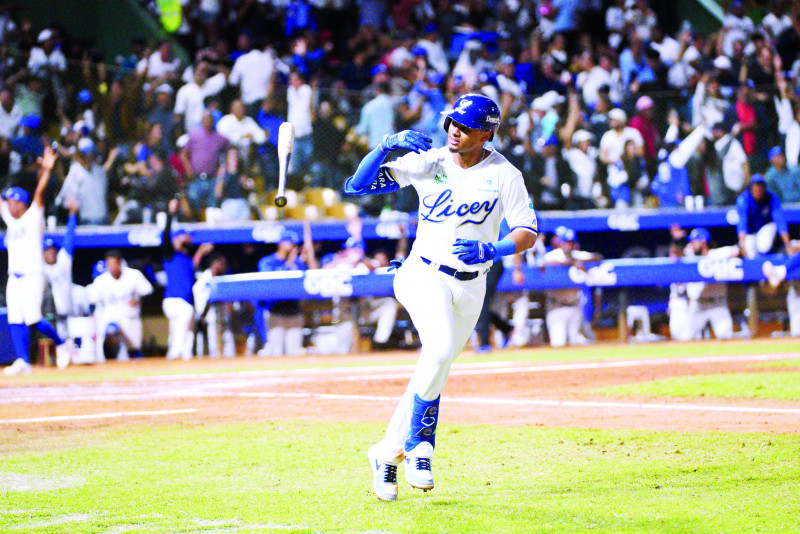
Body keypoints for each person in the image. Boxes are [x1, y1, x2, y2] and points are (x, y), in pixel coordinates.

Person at [344, 93, 537, 501]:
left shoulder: (505, 173)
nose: (454, 130)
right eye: (452, 122)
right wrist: (384, 147)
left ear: (487, 133)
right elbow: (356, 186)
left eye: (465, 126)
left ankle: (385, 452)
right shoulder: (428, 160)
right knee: (440, 349)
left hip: (472, 284)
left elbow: (527, 230)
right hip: (423, 273)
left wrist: (495, 249)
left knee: (434, 365)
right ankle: (419, 447)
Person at [2, 146, 70, 376]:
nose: (8, 204)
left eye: (12, 201)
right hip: (15, 276)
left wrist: (47, 170)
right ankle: (23, 360)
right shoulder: (10, 220)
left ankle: (61, 342)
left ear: (21, 204)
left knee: (32, 318)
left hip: (33, 274)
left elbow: (39, 194)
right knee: (15, 317)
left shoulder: (32, 216)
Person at [161, 198, 213, 360]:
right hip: (173, 300)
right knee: (186, 315)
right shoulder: (170, 255)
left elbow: (194, 265)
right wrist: (171, 213)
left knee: (185, 328)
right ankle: (175, 352)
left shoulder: (186, 257)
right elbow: (166, 235)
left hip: (185, 300)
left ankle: (186, 356)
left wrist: (202, 251)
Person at [88, 249, 154, 361]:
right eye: (109, 264)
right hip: (111, 316)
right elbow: (92, 302)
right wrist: (92, 317)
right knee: (111, 332)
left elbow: (149, 292)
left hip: (130, 316)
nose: (112, 267)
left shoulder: (133, 275)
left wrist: (139, 300)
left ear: (120, 263)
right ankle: (111, 363)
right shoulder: (101, 280)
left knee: (134, 349)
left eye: (114, 263)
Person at [542, 227, 602, 348]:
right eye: (566, 242)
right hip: (556, 306)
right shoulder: (552, 255)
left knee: (576, 343)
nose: (568, 245)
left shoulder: (577, 255)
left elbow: (598, 257)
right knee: (558, 343)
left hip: (575, 306)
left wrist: (579, 261)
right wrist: (571, 263)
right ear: (560, 243)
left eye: (571, 242)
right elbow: (543, 263)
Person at [257, 230, 309, 357]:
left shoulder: (298, 263)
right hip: (275, 312)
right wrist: (290, 263)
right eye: (290, 243)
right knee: (276, 352)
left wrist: (307, 256)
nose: (292, 247)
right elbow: (273, 282)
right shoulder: (267, 262)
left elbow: (309, 278)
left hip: (294, 311)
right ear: (281, 243)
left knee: (294, 352)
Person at [42, 197, 79, 368]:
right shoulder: (40, 265)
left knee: (74, 341)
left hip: (69, 310)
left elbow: (69, 238)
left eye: (52, 250)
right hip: (51, 313)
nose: (50, 254)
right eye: (46, 251)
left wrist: (72, 215)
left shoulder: (63, 260)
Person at [683, 228, 738, 340]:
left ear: (703, 242)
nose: (691, 244)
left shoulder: (716, 255)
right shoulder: (689, 258)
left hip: (717, 305)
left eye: (694, 241)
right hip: (697, 305)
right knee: (686, 338)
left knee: (725, 336)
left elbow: (735, 250)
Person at [735, 174, 790, 258]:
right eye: (755, 187)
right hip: (750, 232)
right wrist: (742, 245)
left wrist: (787, 244)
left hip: (766, 227)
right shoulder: (743, 199)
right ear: (751, 188)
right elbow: (742, 223)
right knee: (750, 254)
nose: (758, 189)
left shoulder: (771, 197)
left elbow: (780, 220)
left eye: (760, 187)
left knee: (763, 246)